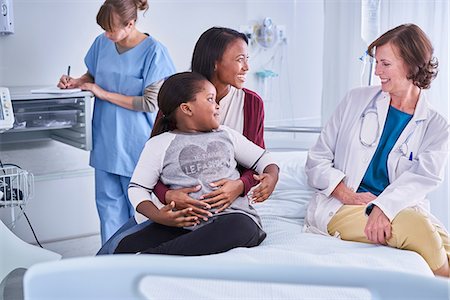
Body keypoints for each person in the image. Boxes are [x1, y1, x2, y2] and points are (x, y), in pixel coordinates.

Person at [305, 23, 449, 277]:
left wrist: (384, 207)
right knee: (417, 228)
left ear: (411, 65)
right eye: (376, 62)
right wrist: (345, 193)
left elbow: (425, 177)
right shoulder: (355, 100)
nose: (377, 71)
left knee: (443, 242)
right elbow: (317, 159)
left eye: (385, 64)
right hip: (343, 207)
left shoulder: (436, 124)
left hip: (398, 206)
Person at [114, 72, 279, 255]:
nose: (217, 106)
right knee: (125, 246)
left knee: (242, 227)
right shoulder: (159, 144)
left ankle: (156, 257)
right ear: (187, 109)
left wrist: (271, 176)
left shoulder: (227, 135)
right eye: (210, 99)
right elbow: (138, 188)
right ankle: (166, 255)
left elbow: (265, 159)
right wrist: (160, 216)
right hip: (185, 224)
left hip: (232, 218)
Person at [57, 0, 176, 244]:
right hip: (105, 141)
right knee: (108, 210)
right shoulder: (102, 43)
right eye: (104, 29)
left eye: (111, 29)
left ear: (130, 24)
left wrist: (101, 92)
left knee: (140, 211)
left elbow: (150, 103)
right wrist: (77, 82)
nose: (106, 34)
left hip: (136, 145)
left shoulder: (154, 51)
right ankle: (110, 264)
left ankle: (140, 266)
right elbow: (93, 74)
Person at [152, 27, 267, 222]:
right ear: (215, 63)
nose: (247, 67)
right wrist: (168, 195)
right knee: (117, 245)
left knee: (238, 228)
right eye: (240, 59)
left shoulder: (252, 104)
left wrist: (240, 185)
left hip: (228, 209)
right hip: (178, 206)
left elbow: (256, 164)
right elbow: (153, 163)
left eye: (248, 59)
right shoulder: (179, 95)